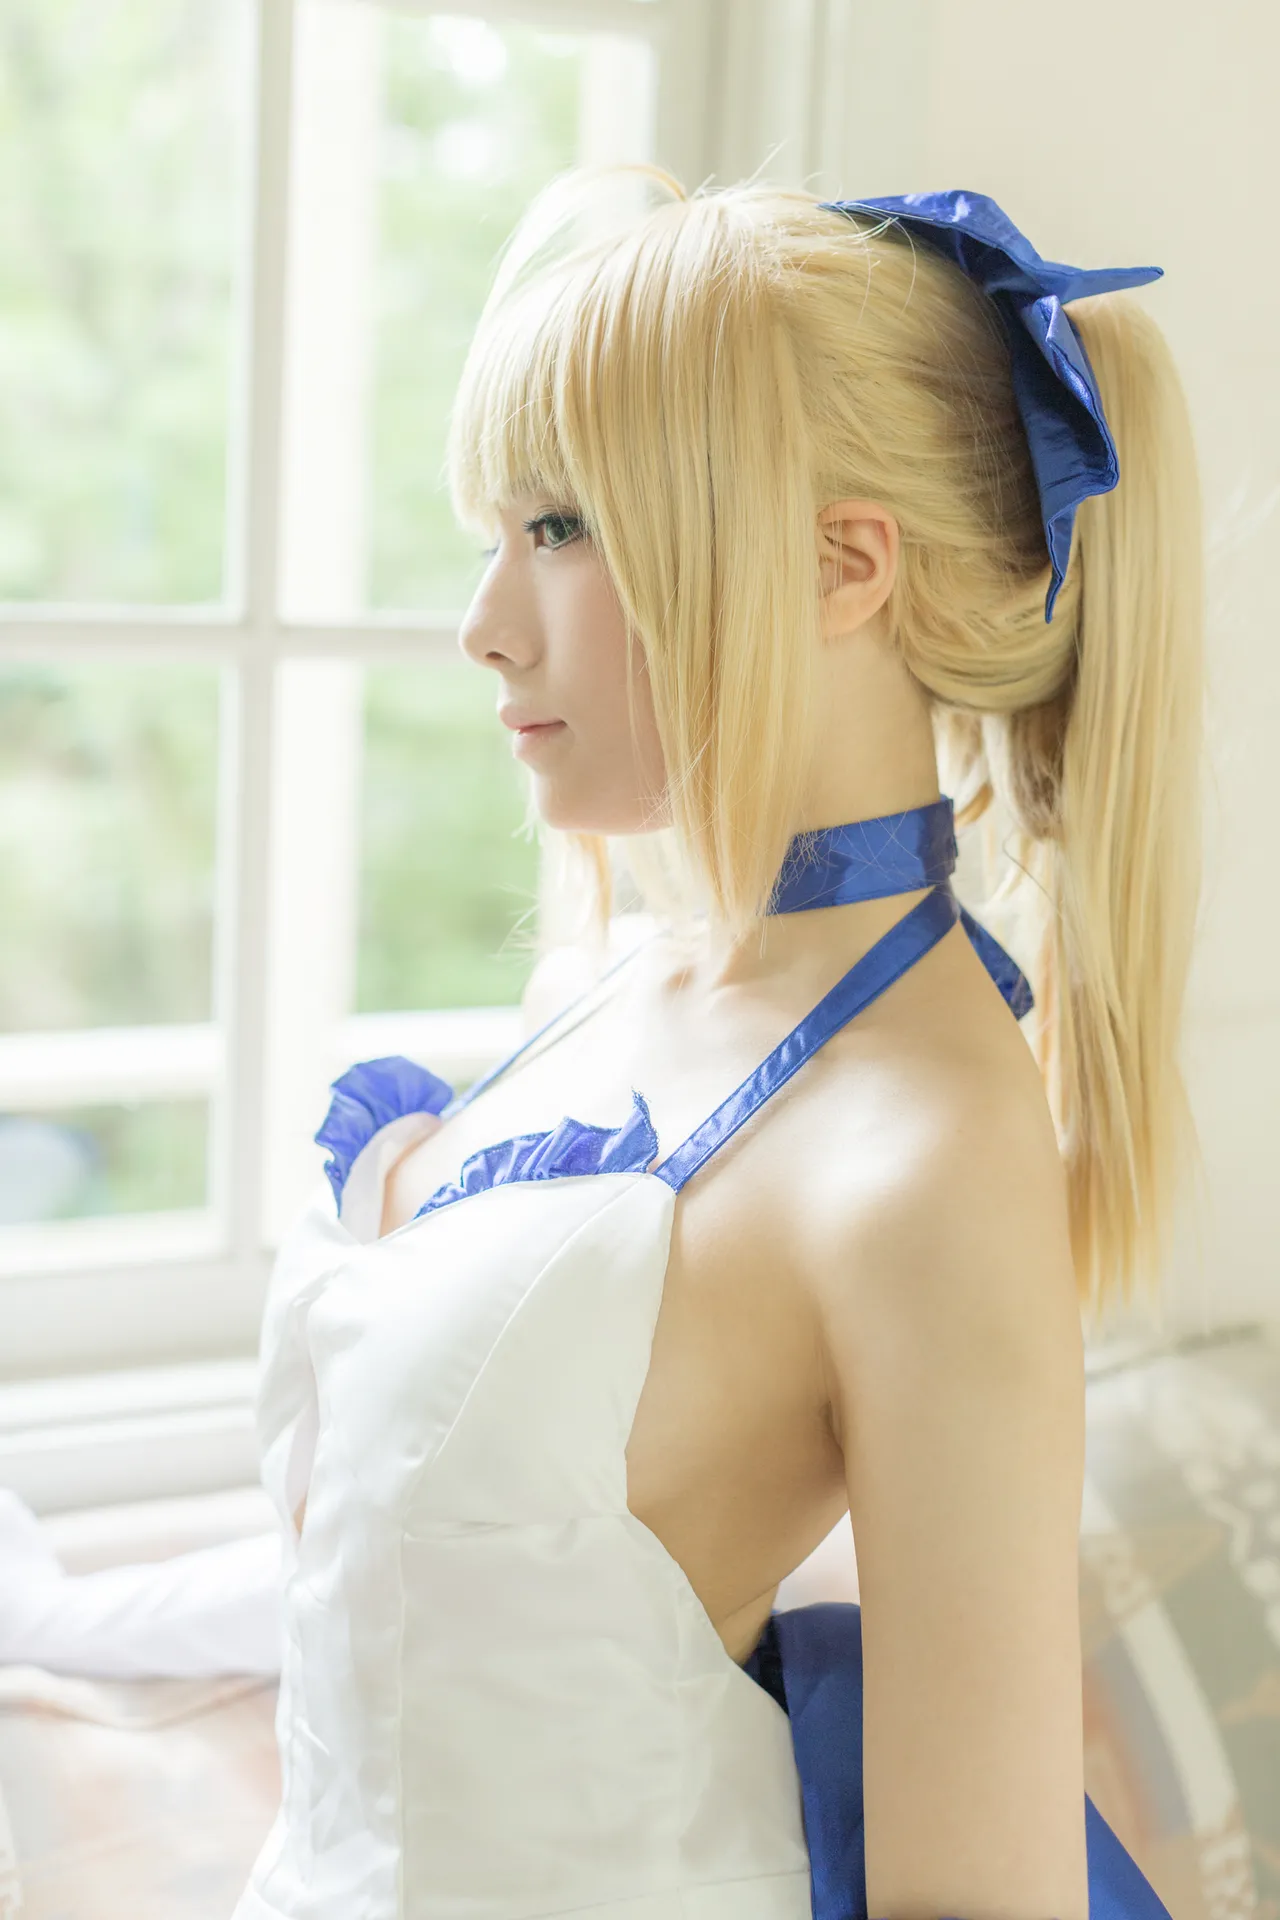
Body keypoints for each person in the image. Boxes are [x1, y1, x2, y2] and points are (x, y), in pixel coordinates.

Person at [10, 171, 1202, 1920]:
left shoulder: (920, 1155)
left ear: (843, 565)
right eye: (498, 531)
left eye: (563, 528)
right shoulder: (612, 990)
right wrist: (60, 1624)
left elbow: (983, 1897)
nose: (485, 622)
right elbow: (435, 1588)